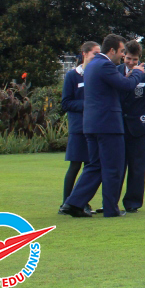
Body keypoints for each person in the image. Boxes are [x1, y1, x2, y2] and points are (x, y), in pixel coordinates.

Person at [60, 34, 145, 218]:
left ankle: (73, 203)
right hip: (108, 124)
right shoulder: (105, 65)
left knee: (95, 165)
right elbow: (126, 85)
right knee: (113, 167)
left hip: (91, 124)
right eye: (122, 51)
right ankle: (111, 208)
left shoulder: (91, 66)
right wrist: (137, 72)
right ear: (112, 50)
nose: (123, 56)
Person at [116, 40, 145, 213]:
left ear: (139, 58)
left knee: (137, 167)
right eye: (128, 58)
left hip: (140, 126)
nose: (130, 62)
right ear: (123, 56)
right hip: (119, 126)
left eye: (134, 60)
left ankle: (133, 203)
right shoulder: (116, 72)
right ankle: (112, 201)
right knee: (117, 167)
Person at [59, 41, 100, 212]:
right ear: (84, 53)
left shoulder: (97, 74)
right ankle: (66, 202)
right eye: (95, 53)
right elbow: (66, 103)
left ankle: (81, 201)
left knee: (90, 166)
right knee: (75, 165)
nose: (97, 57)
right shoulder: (72, 76)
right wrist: (88, 104)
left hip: (94, 126)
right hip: (78, 128)